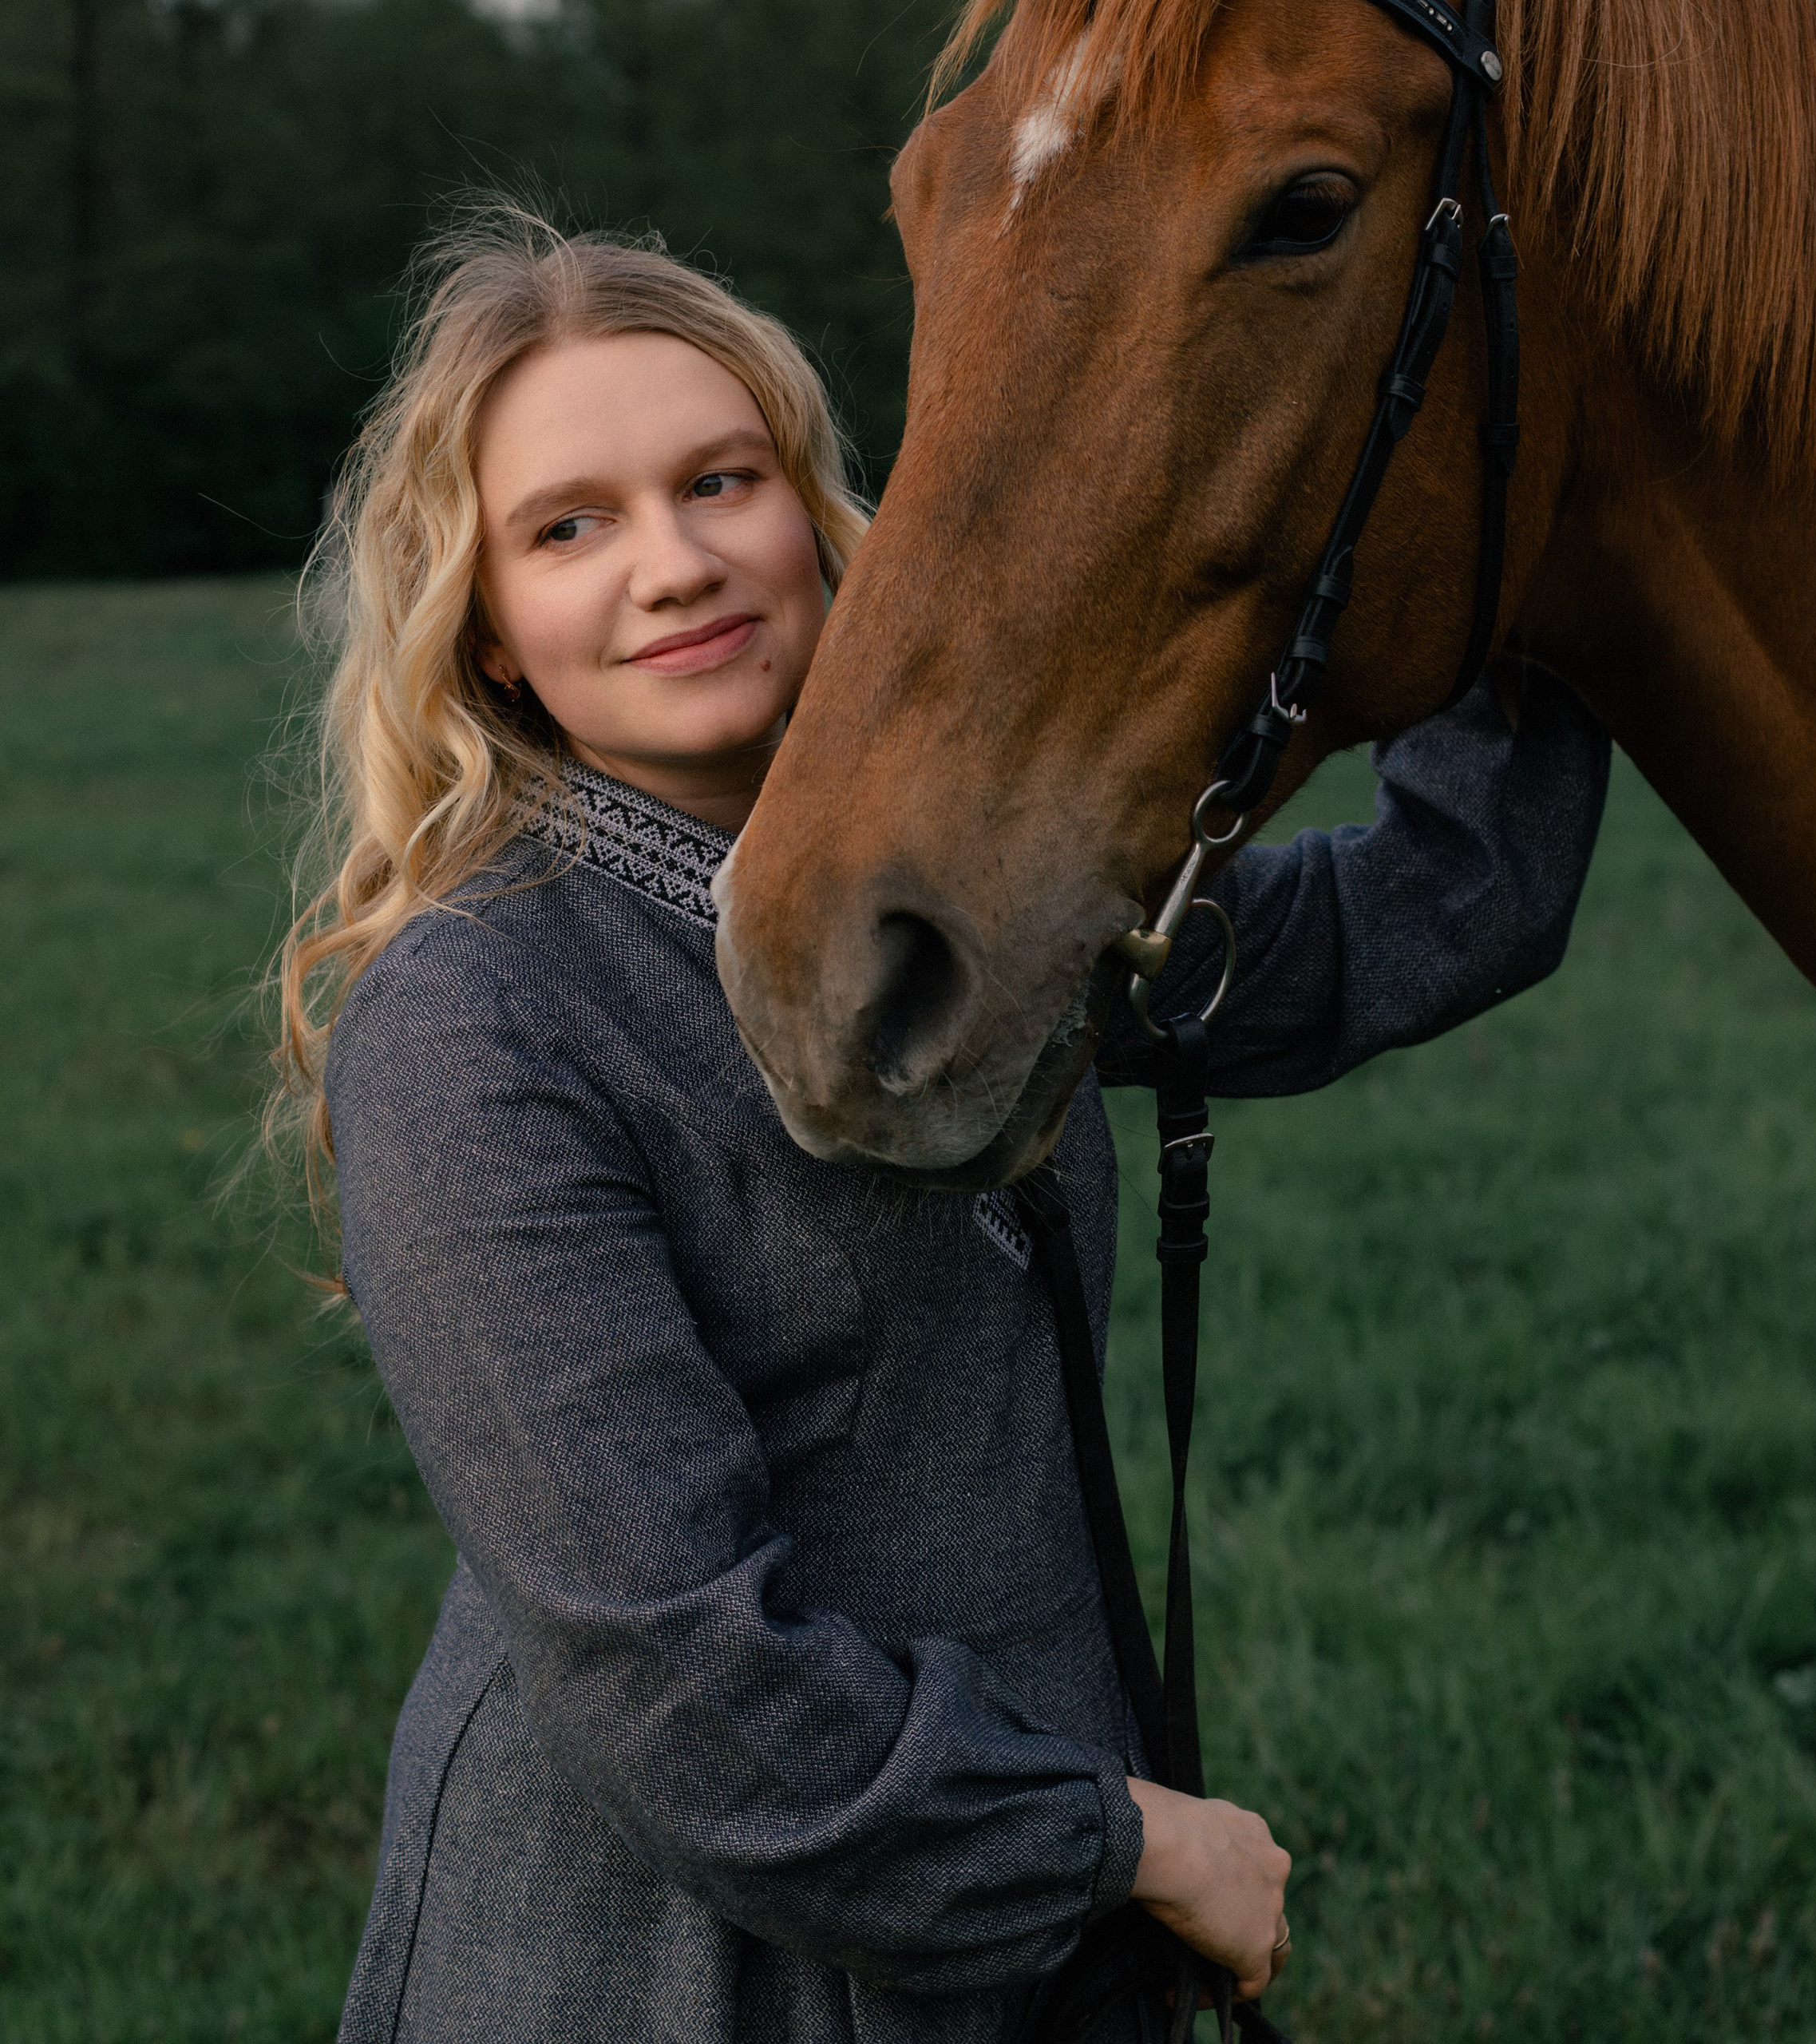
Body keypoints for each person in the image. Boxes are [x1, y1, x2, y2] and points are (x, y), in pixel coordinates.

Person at [271, 204, 1610, 2044]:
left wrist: (1521, 533)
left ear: (818, 522)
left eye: (718, 480)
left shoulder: (946, 908)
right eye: (568, 526)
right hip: (662, 1968)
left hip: (1032, 1930)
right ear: (490, 630)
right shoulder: (477, 1021)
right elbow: (686, 1693)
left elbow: (1441, 906)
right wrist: (1122, 1841)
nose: (669, 562)